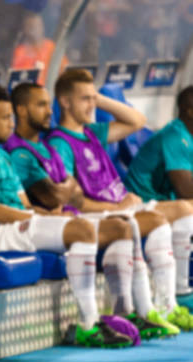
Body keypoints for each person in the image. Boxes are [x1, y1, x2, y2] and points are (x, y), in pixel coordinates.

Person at [0, 82, 131, 349]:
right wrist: (35, 218)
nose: (11, 124)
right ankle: (88, 325)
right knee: (83, 230)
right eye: (5, 117)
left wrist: (51, 215)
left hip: (20, 223)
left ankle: (124, 312)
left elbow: (26, 205)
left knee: (117, 226)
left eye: (12, 117)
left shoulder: (1, 154)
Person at [6, 82, 171, 339]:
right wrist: (66, 193)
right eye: (41, 105)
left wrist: (66, 191)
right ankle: (91, 323)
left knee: (128, 225)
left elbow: (72, 191)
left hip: (61, 216)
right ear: (22, 110)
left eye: (48, 104)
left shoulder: (46, 147)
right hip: (42, 221)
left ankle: (133, 311)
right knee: (117, 225)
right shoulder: (22, 151)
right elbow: (56, 196)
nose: (49, 111)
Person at [47, 69, 193, 332]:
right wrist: (115, 207)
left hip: (121, 206)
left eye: (93, 98)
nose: (91, 105)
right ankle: (164, 303)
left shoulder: (92, 132)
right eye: (84, 99)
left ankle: (162, 306)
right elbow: (72, 200)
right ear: (65, 102)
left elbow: (137, 121)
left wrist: (98, 99)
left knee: (164, 219)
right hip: (98, 214)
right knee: (174, 212)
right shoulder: (60, 143)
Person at [125, 86, 193, 203]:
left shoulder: (187, 134)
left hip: (163, 199)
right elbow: (186, 192)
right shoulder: (175, 137)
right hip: (141, 200)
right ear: (191, 112)